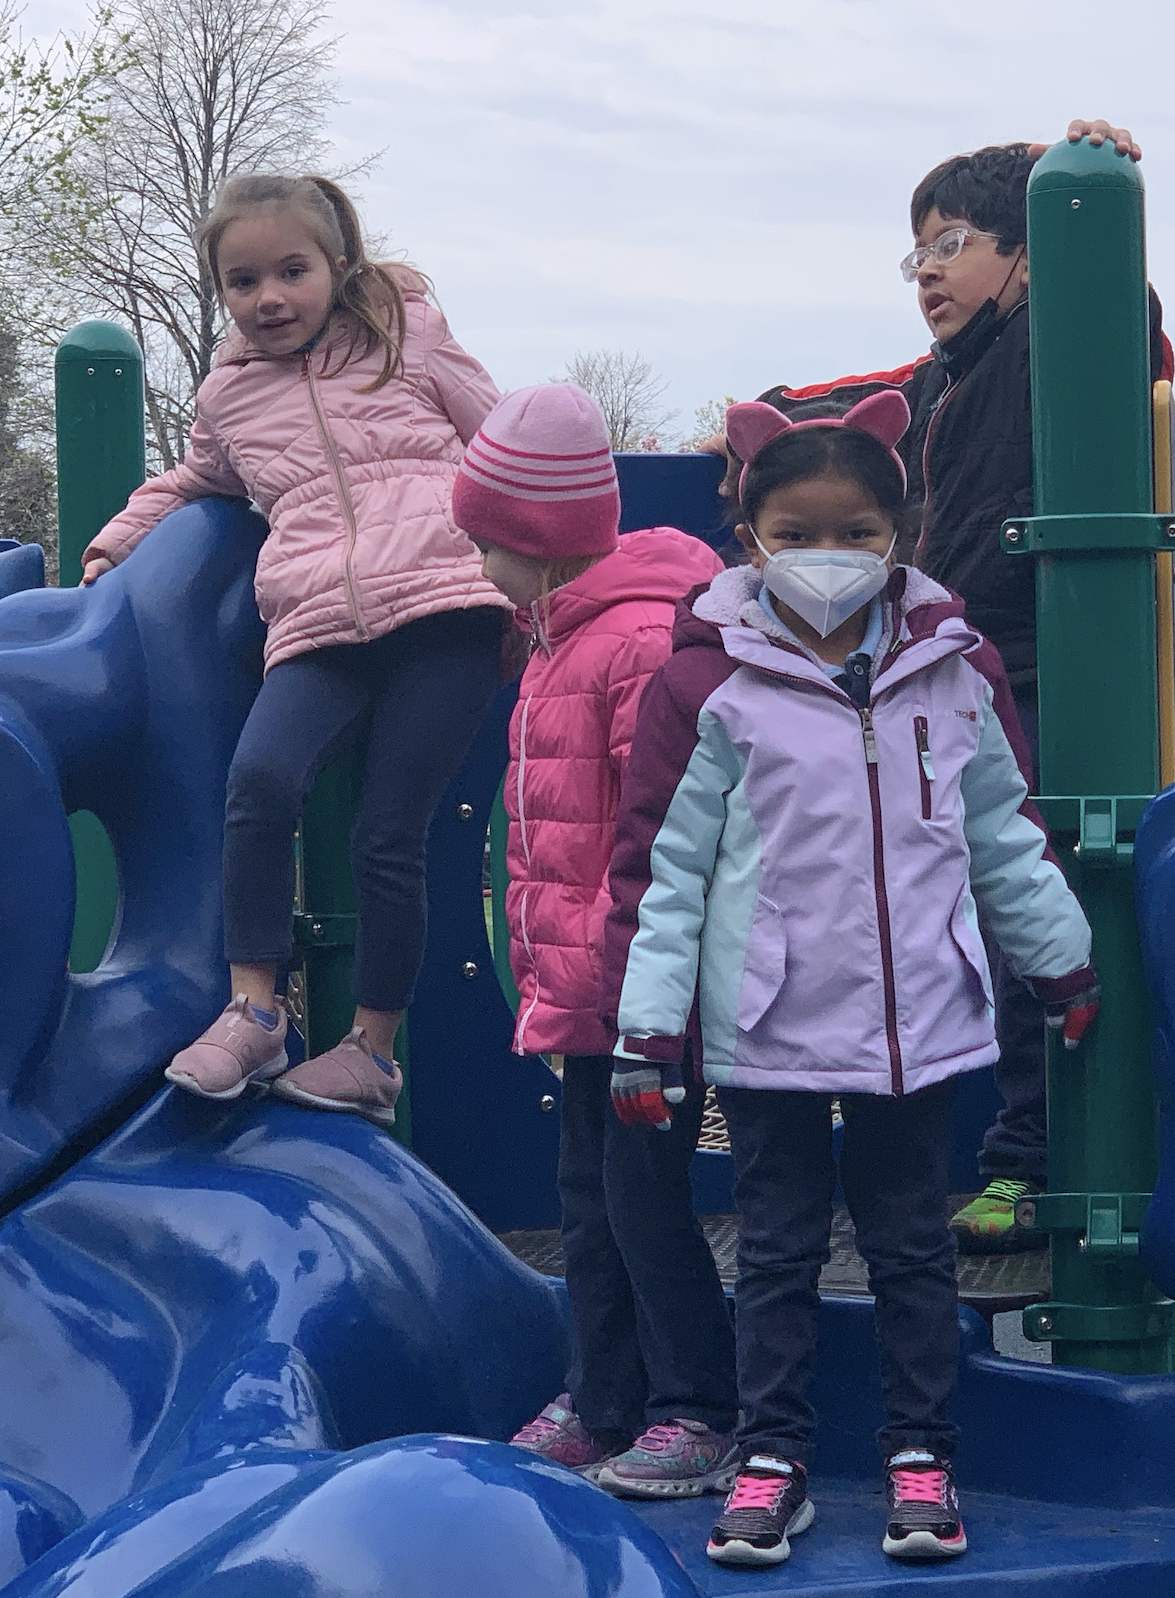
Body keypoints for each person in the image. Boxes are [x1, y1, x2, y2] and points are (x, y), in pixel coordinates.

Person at [604, 394, 1099, 1567]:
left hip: (913, 1022)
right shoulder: (707, 685)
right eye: (797, 530)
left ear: (899, 533)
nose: (829, 555)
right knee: (774, 1246)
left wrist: (1061, 961)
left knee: (912, 1246)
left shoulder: (954, 667)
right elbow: (664, 870)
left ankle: (920, 1452)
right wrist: (645, 1031)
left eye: (857, 532)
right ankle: (771, 1454)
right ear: (750, 535)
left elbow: (1003, 833)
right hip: (772, 1024)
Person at [734, 122, 1169, 1253]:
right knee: (973, 902)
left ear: (1027, 256)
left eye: (955, 242)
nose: (927, 268)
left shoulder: (1049, 338)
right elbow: (849, 397)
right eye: (914, 251)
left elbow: (1130, 314)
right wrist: (768, 413)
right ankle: (1000, 1142)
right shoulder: (941, 382)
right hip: (967, 668)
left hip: (1050, 661)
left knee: (1032, 904)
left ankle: (1033, 1160)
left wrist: (1080, 177)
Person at [81, 173, 509, 1123]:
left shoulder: (406, 333)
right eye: (242, 281)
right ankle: (257, 1010)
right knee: (259, 783)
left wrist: (549, 571)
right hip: (318, 619)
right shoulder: (229, 393)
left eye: (291, 271)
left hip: (445, 604)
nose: (269, 297)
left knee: (385, 832)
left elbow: (501, 439)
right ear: (220, 291)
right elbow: (194, 481)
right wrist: (116, 542)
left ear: (337, 264)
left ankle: (370, 1050)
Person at [455, 384, 741, 1497]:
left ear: (534, 541)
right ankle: (605, 1393)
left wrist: (648, 993)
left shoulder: (632, 642)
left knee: (645, 1197)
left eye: (487, 543)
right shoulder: (556, 639)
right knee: (590, 1195)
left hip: (641, 992)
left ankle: (696, 1404)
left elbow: (663, 817)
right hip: (585, 991)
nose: (478, 566)